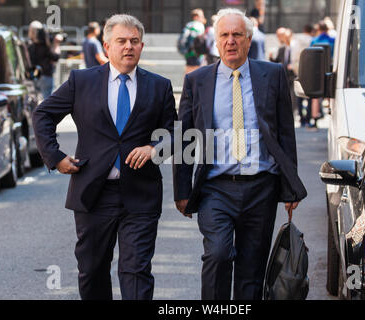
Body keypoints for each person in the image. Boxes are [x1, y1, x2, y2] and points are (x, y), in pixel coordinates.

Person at [32, 14, 177, 300]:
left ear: (142, 46)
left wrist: (154, 148)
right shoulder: (81, 81)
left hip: (141, 194)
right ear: (106, 46)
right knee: (92, 270)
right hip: (93, 193)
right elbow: (43, 114)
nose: (128, 47)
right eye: (121, 41)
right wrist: (56, 156)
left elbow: (175, 132)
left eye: (134, 41)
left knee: (136, 269)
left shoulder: (159, 86)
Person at [173, 8, 307, 300]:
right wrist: (181, 189)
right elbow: (184, 138)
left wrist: (290, 186)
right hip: (215, 187)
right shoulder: (198, 81)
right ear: (215, 42)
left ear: (249, 40)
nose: (231, 41)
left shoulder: (272, 74)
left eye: (237, 35)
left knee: (251, 269)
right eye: (224, 35)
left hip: (262, 186)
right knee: (219, 254)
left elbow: (285, 132)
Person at [291, 24, 314, 127]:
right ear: (311, 31)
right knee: (309, 96)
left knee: (300, 95)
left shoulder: (297, 42)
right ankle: (308, 118)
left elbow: (294, 57)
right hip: (311, 71)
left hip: (299, 70)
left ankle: (301, 118)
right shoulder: (312, 41)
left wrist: (296, 70)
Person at [28, 26, 60, 99]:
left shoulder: (31, 46)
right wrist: (56, 45)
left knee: (35, 99)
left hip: (34, 74)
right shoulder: (45, 48)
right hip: (45, 75)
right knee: (46, 101)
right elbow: (55, 57)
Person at [180, 8, 206, 73]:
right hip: (197, 53)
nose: (203, 18)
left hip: (188, 52)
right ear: (196, 17)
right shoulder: (198, 25)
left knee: (188, 70)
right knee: (197, 72)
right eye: (201, 16)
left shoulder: (188, 25)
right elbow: (201, 41)